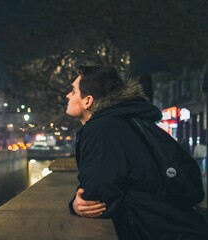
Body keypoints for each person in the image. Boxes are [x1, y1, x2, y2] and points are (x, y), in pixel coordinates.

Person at [65, 65, 208, 239]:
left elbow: (97, 200)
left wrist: (74, 205)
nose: (68, 95)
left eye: (73, 91)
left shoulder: (101, 129)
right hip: (175, 227)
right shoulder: (122, 121)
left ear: (87, 101)